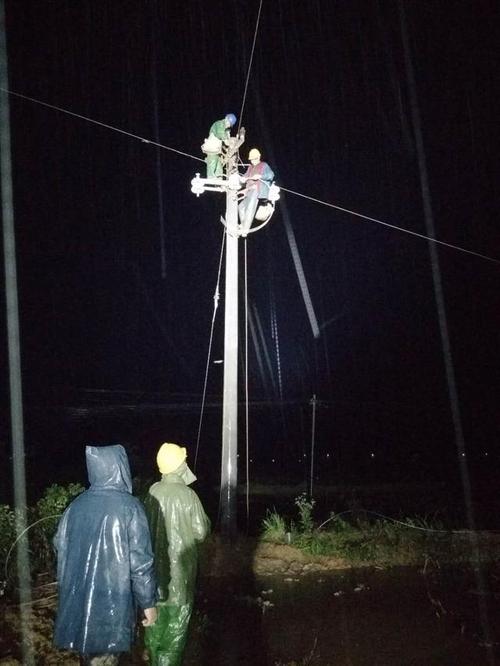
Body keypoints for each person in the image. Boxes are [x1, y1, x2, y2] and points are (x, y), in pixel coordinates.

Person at [53, 444, 157, 666]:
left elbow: (61, 554)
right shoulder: (130, 507)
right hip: (113, 606)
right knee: (106, 658)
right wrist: (148, 603)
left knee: (89, 659)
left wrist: (68, 595)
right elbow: (140, 562)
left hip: (79, 604)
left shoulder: (75, 507)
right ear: (121, 467)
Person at [143, 442, 211, 666]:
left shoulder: (152, 492)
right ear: (179, 465)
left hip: (153, 581)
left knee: (154, 631)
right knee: (175, 635)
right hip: (180, 579)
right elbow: (201, 531)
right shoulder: (188, 495)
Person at [238, 147, 275, 234]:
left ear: (258, 157)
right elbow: (246, 175)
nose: (252, 161)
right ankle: (243, 225)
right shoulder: (250, 167)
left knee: (250, 207)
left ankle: (245, 229)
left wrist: (260, 176)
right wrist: (242, 179)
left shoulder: (264, 165)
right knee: (241, 207)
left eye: (254, 159)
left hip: (257, 189)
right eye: (251, 159)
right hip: (249, 190)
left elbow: (271, 175)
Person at [202, 113, 237, 178]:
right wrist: (229, 142)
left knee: (219, 167)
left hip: (217, 150)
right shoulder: (219, 124)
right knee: (212, 164)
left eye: (230, 124)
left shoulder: (225, 129)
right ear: (226, 119)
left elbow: (226, 138)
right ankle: (211, 178)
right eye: (228, 123)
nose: (228, 125)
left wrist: (228, 142)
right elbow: (221, 134)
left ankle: (219, 180)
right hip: (211, 149)